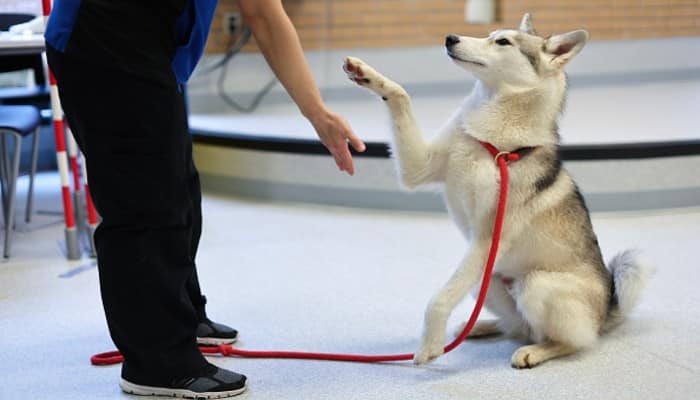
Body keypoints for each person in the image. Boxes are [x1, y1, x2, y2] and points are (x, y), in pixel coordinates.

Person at [45, 0, 365, 398]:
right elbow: (261, 14)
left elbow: (263, 10)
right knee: (144, 204)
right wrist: (317, 114)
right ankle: (157, 361)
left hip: (150, 46)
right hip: (103, 43)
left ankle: (183, 315)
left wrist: (317, 112)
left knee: (178, 185)